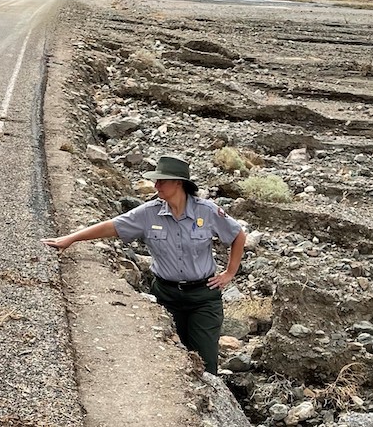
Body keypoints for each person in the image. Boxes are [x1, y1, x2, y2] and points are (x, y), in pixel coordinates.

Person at [42, 154, 246, 375]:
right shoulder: (148, 213)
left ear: (178, 183)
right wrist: (70, 238)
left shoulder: (206, 211)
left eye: (161, 181)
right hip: (166, 296)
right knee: (170, 360)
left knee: (205, 364)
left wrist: (229, 273)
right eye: (155, 180)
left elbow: (237, 235)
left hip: (203, 297)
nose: (156, 185)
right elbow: (111, 227)